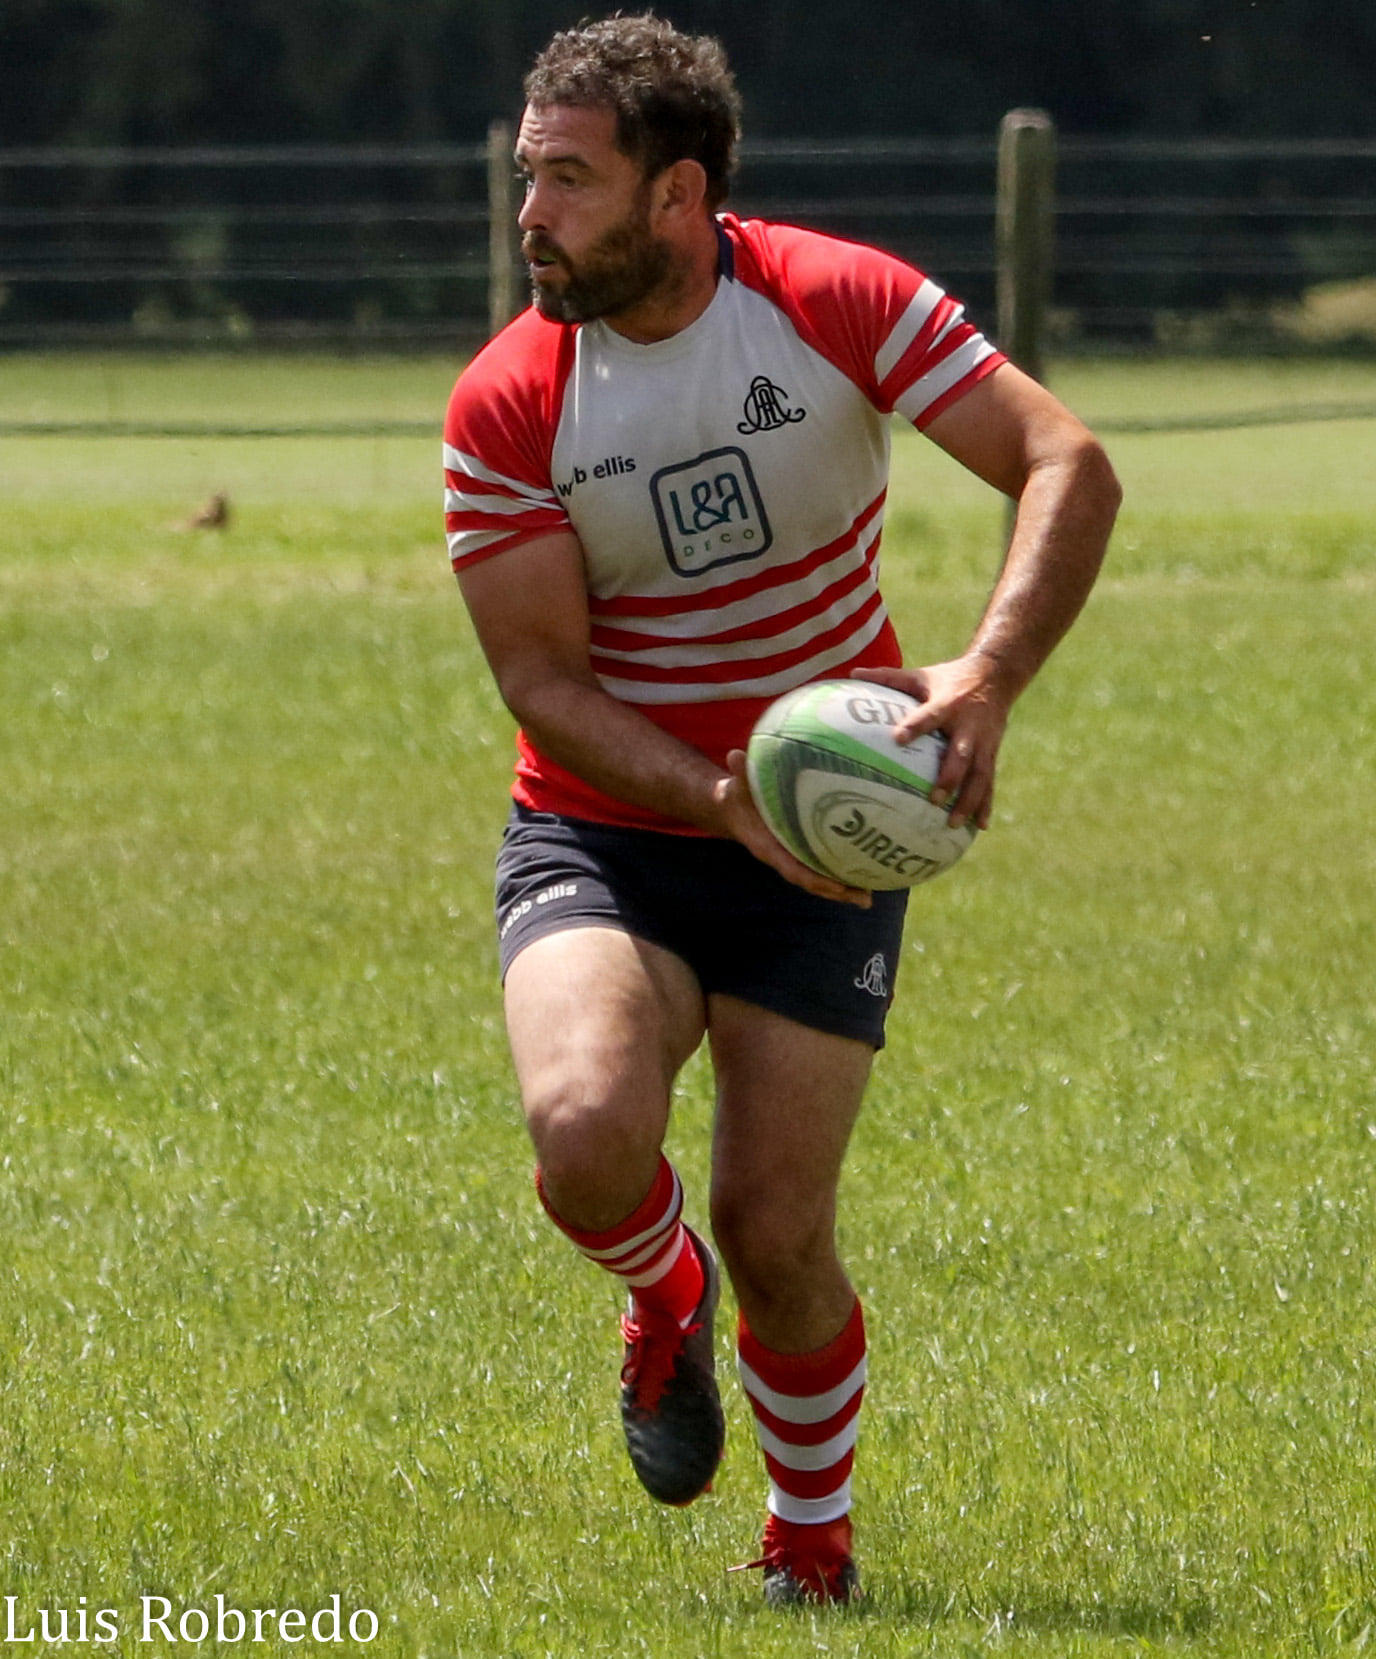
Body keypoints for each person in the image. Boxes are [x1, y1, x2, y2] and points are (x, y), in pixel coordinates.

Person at [443, 12, 1120, 1607]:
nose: (529, 213)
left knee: (779, 1228)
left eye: (568, 181)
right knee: (584, 1140)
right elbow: (539, 679)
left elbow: (1064, 459)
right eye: (527, 174)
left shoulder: (830, 301)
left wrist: (990, 679)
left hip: (824, 837)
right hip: (610, 826)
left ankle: (809, 1564)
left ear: (678, 196)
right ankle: (655, 1291)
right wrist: (702, 792)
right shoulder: (507, 399)